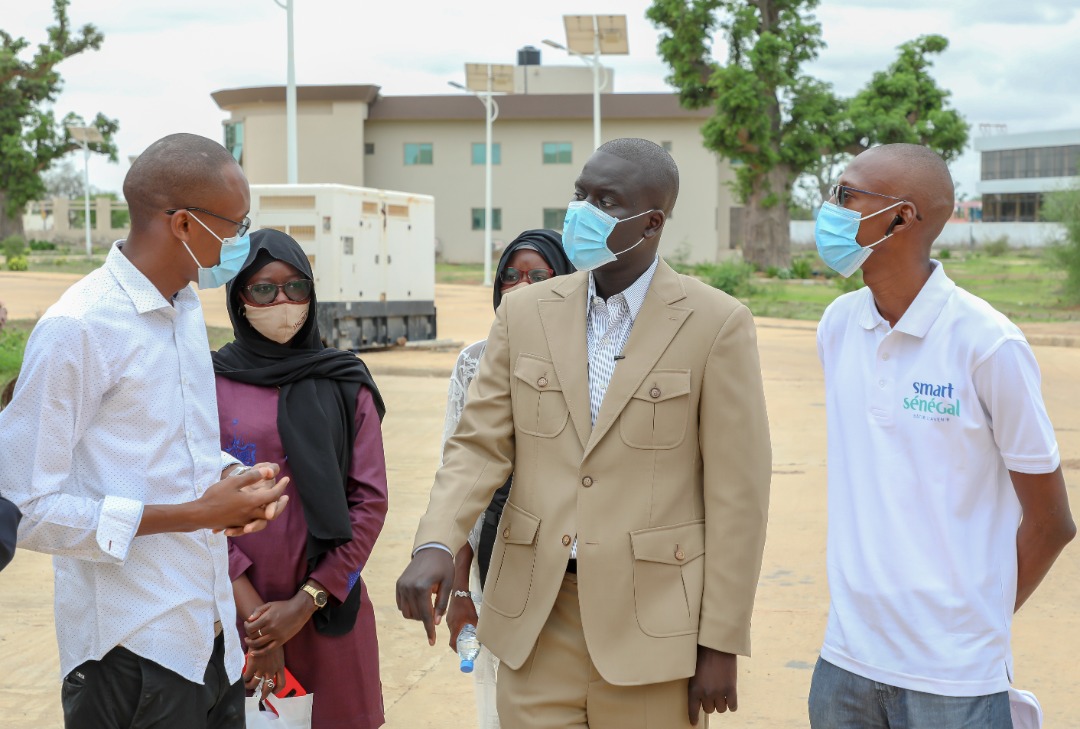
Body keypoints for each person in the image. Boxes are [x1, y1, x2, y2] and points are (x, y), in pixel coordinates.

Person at [397, 138, 772, 728]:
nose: (582, 211)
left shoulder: (716, 323)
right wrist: (436, 542)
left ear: (650, 221)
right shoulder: (525, 315)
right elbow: (478, 446)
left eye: (605, 200)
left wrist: (720, 639)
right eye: (580, 194)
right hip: (536, 619)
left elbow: (738, 497)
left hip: (651, 630)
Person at [0, 133, 290, 729]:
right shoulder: (77, 329)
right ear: (184, 224)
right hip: (128, 647)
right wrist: (195, 514)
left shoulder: (183, 310)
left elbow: (171, 449)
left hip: (206, 631)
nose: (242, 242)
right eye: (235, 226)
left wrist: (231, 480)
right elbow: (24, 508)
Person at [808, 143, 1076, 728]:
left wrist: (969, 628)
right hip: (845, 663)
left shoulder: (988, 344)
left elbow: (1052, 521)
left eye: (846, 195)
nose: (830, 209)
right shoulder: (838, 326)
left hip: (953, 682)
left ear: (902, 217)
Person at [213, 228, 389, 728]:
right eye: (264, 289)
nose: (283, 301)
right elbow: (195, 499)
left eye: (296, 288)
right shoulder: (207, 383)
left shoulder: (344, 381)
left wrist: (304, 603)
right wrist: (260, 626)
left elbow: (369, 503)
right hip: (231, 604)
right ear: (238, 296)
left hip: (328, 605)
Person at [443, 229, 575, 729]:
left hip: (573, 570)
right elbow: (457, 480)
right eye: (511, 277)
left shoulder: (599, 363)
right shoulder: (473, 363)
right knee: (501, 708)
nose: (522, 288)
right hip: (497, 565)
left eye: (539, 276)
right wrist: (460, 593)